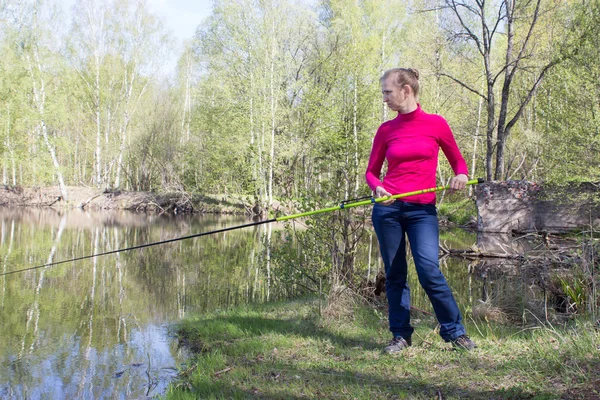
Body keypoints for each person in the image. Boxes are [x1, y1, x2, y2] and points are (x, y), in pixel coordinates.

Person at [365, 67, 476, 353]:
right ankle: (400, 335)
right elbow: (372, 172)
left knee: (429, 270)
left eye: (388, 92)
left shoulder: (436, 124)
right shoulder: (386, 129)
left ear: (406, 90)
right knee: (395, 273)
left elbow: (459, 164)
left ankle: (454, 331)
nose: (385, 98)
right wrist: (377, 188)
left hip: (421, 211)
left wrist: (461, 176)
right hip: (387, 210)